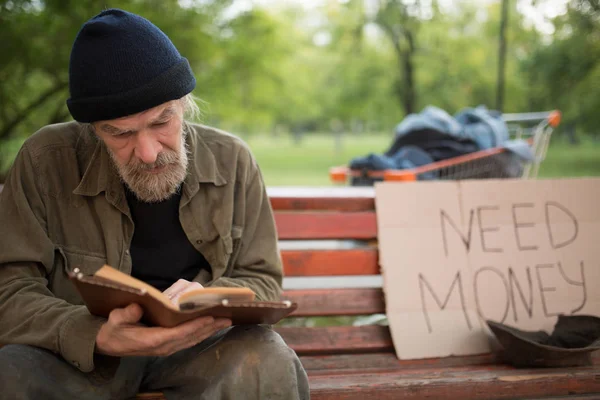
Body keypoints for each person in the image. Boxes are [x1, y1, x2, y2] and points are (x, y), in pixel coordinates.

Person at [0, 8, 309, 400]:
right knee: (8, 372)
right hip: (82, 359)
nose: (147, 153)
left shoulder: (233, 160)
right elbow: (9, 290)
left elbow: (262, 279)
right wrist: (93, 333)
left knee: (265, 357)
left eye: (162, 122)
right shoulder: (45, 160)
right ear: (93, 130)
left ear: (184, 103)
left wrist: (211, 297)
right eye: (119, 134)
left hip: (198, 351)